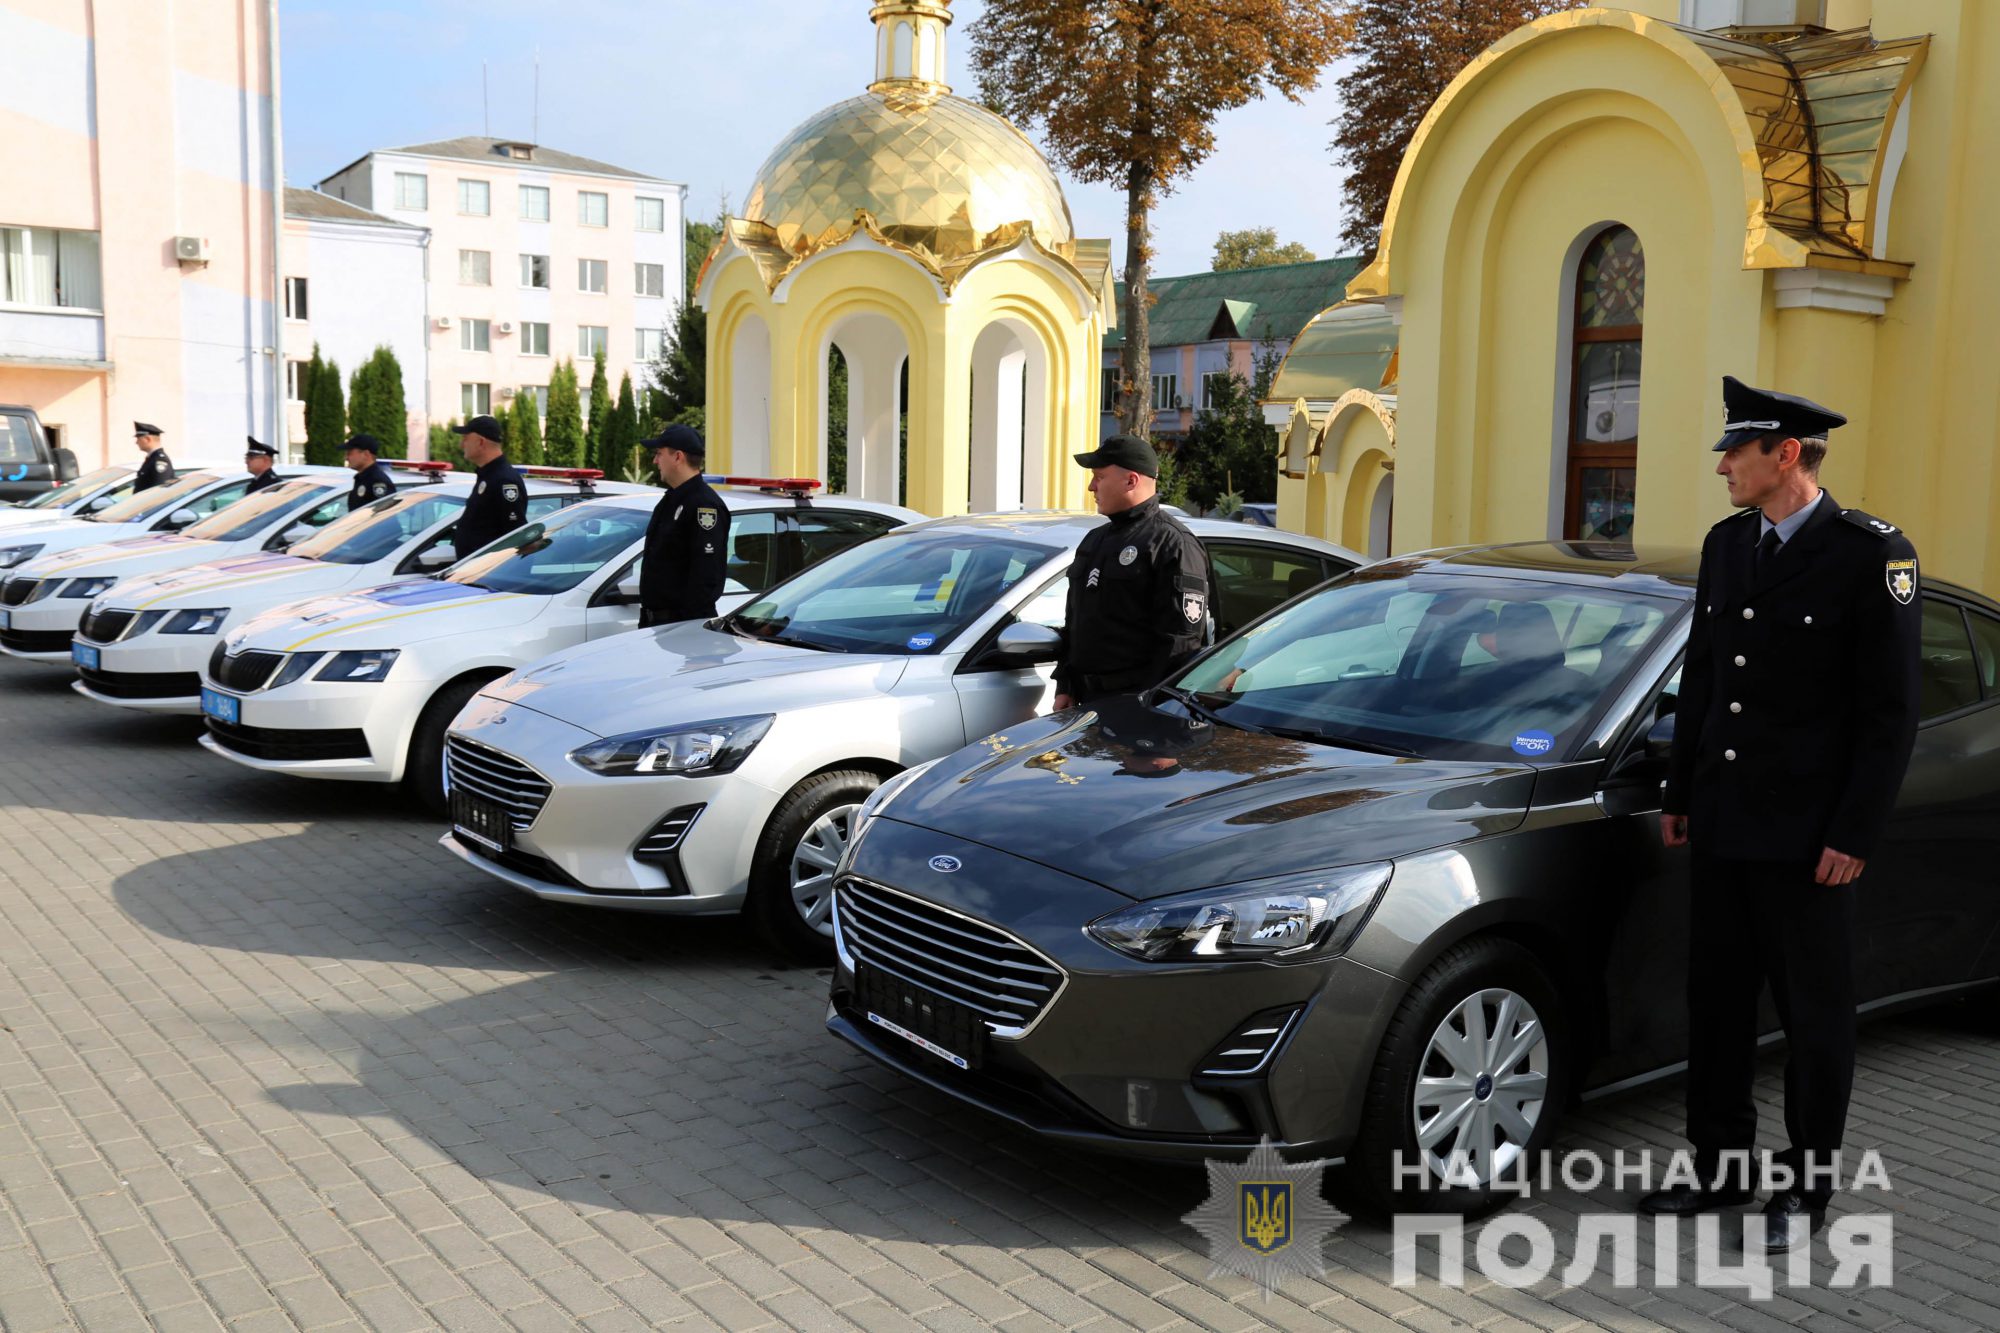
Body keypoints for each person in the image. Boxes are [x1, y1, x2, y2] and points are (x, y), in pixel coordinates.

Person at [1638, 376, 1921, 1251]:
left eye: (1738, 450)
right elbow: (1707, 683)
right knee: (1716, 1007)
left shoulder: (1873, 555)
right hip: (1723, 825)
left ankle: (1805, 1190)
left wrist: (1853, 832)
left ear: (1785, 455)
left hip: (1808, 842)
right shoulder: (1729, 545)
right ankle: (1718, 1170)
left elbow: (1889, 714)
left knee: (1813, 1021)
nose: (1723, 464)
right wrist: (1681, 793)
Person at [1052, 434, 1210, 710]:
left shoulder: (1173, 543)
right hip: (1086, 703)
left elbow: (1180, 644)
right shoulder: (1095, 540)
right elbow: (1076, 622)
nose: (1091, 487)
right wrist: (1065, 685)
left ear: (1131, 480)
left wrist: (1151, 709)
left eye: (1099, 477)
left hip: (1136, 707)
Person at [636, 424, 729, 628]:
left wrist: (688, 634)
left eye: (659, 454)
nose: (655, 461)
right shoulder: (671, 500)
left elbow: (706, 577)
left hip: (681, 627)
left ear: (678, 457)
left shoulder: (704, 505)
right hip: (658, 625)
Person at [450, 415, 526, 560]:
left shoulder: (504, 480)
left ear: (480, 442)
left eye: (465, 439)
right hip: (474, 573)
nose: (461, 445)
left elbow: (514, 534)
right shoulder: (488, 476)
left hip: (489, 576)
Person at [342, 434, 397, 511]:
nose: (346, 458)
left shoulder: (378, 480)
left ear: (366, 454)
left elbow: (384, 515)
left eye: (349, 453)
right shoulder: (362, 478)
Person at [132, 423, 174, 492]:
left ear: (147, 439)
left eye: (138, 439)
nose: (136, 442)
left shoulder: (160, 460)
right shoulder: (152, 458)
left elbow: (159, 490)